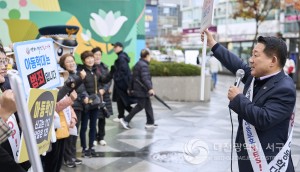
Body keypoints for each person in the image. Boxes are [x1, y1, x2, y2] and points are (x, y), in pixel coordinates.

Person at [201, 30, 296, 171]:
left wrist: (238, 99)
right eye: (252, 54)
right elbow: (235, 63)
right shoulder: (255, 76)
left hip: (269, 162)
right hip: (247, 158)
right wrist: (213, 44)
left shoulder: (285, 88)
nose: (250, 59)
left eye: (256, 55)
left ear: (273, 61)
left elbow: (264, 118)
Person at [59, 54, 86, 167]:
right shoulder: (64, 76)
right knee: (68, 133)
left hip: (78, 106)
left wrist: (84, 96)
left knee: (74, 133)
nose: (71, 63)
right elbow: (70, 88)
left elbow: (82, 89)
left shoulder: (76, 74)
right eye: (68, 62)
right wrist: (80, 78)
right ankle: (67, 158)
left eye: (72, 61)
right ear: (63, 65)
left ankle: (72, 156)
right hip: (68, 107)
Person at [120, 49, 157, 129]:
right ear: (146, 56)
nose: (150, 57)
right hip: (141, 89)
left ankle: (150, 122)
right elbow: (145, 78)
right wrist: (150, 88)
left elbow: (134, 78)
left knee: (148, 105)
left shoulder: (139, 64)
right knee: (140, 106)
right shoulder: (143, 65)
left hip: (140, 89)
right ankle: (126, 120)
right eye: (150, 55)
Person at [91, 47, 113, 146]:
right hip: (94, 96)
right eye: (96, 55)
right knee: (93, 118)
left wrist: (104, 89)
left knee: (102, 118)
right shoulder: (90, 68)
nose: (97, 57)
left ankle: (101, 137)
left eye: (99, 55)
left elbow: (108, 80)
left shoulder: (104, 67)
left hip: (104, 96)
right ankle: (94, 137)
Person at [111, 42, 133, 122]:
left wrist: (116, 78)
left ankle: (129, 112)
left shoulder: (121, 58)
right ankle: (121, 115)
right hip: (123, 82)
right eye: (114, 47)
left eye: (116, 47)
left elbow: (123, 70)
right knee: (121, 100)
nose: (114, 49)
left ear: (121, 48)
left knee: (121, 99)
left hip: (121, 83)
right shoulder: (122, 56)